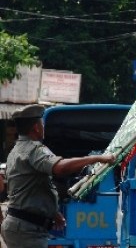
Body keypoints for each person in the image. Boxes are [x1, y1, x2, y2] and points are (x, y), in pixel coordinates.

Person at [1, 104, 115, 248]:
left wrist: (53, 212)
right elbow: (60, 168)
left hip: (19, 226)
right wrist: (97, 158)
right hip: (27, 230)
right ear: (36, 127)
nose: (43, 127)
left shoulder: (15, 151)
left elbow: (31, 187)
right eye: (41, 124)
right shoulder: (34, 149)